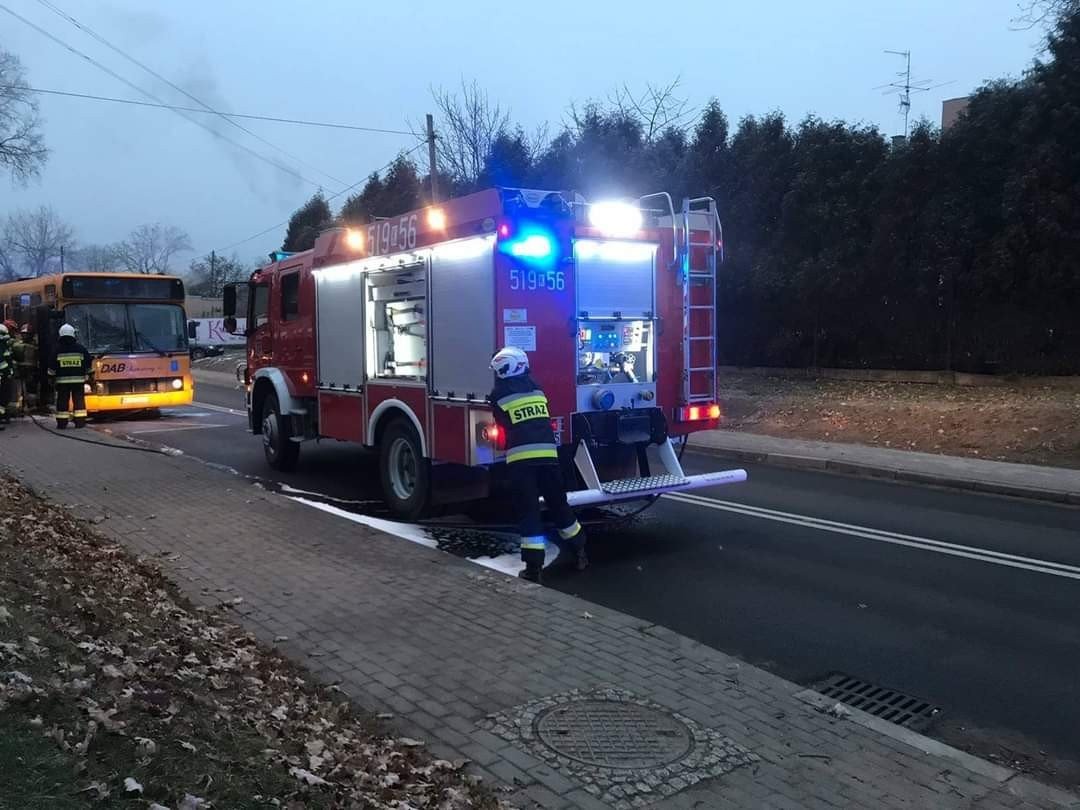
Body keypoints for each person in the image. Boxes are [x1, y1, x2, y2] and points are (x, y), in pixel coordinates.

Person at [488, 346, 587, 584]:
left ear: (505, 369)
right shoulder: (537, 389)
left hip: (522, 461)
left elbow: (502, 425)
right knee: (559, 505)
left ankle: (533, 569)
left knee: (529, 511)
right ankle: (580, 552)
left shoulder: (499, 395)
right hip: (549, 457)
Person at [49, 323, 92, 429]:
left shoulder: (57, 350)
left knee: (62, 401)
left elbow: (52, 366)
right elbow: (88, 363)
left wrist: (51, 378)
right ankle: (80, 422)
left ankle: (62, 423)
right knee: (79, 401)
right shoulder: (81, 349)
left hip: (62, 382)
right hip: (78, 381)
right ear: (73, 334)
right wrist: (89, 375)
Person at [0, 323, 13, 429]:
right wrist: (7, 372)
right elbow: (1, 362)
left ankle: (2, 417)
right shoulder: (1, 345)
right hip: (2, 375)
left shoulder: (3, 345)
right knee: (3, 397)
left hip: (3, 376)